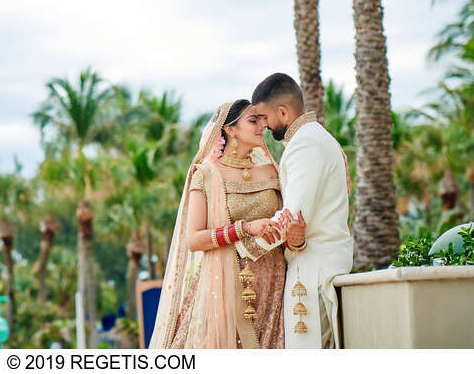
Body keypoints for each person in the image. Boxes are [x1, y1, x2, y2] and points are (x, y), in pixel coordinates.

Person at [149, 99, 305, 349]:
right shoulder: (207, 174)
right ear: (230, 129)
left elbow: (283, 227)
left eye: (262, 121)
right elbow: (194, 239)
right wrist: (243, 228)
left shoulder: (271, 171)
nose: (261, 127)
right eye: (253, 121)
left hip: (273, 285)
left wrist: (296, 239)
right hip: (224, 286)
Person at [251, 73, 353, 349]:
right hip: (324, 262)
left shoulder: (305, 144)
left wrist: (243, 246)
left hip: (313, 269)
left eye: (264, 117)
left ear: (282, 111)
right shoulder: (319, 138)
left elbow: (291, 218)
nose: (264, 125)